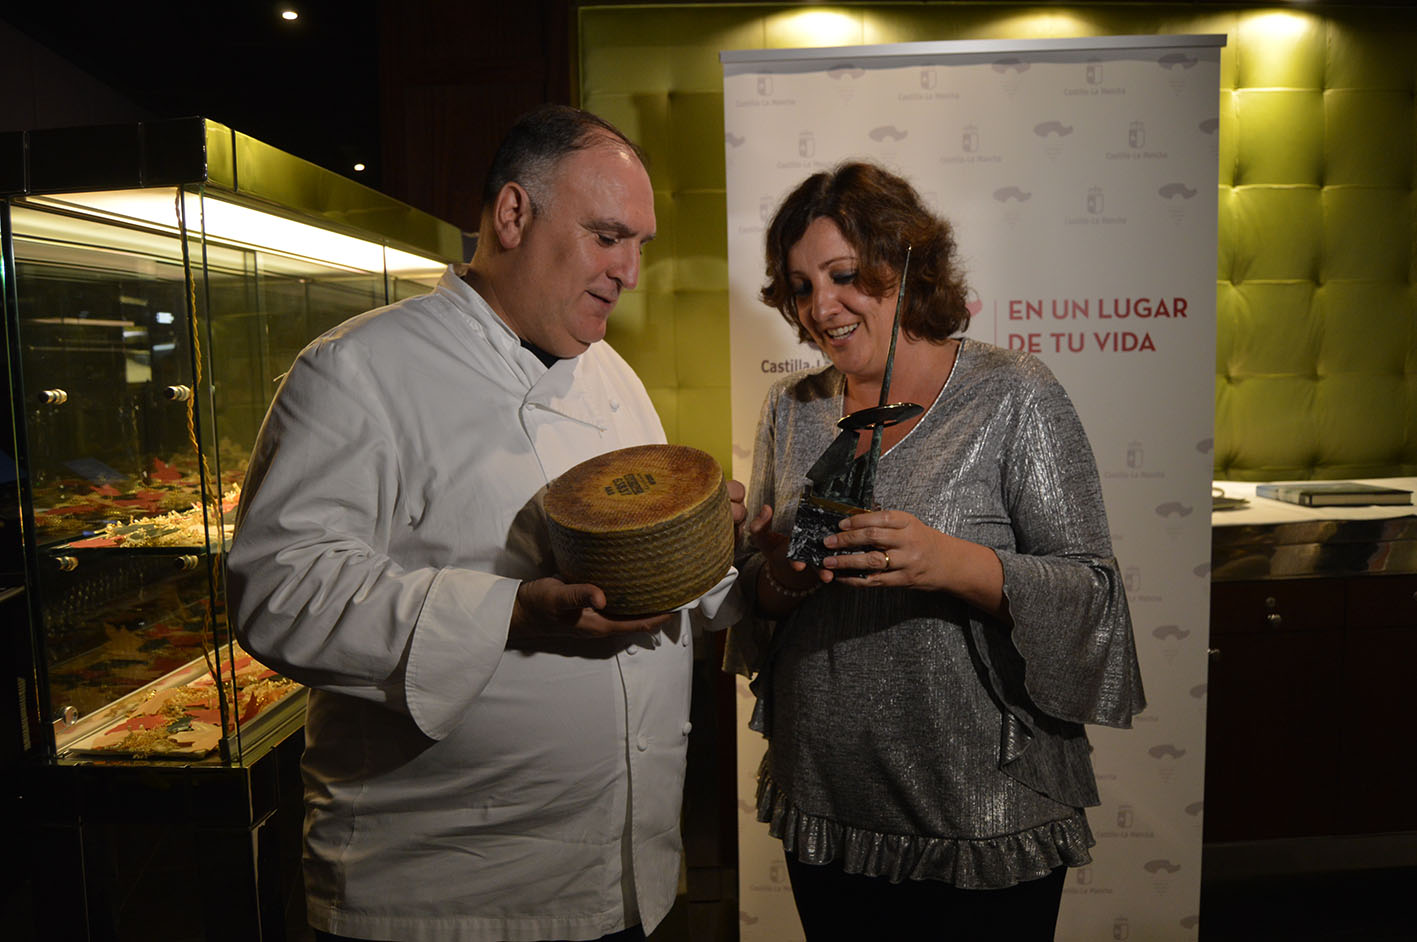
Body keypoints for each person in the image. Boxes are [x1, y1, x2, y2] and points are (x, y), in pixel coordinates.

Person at [227, 105, 744, 942]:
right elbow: (281, 591)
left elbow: (645, 571)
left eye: (640, 245)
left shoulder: (610, 373)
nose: (630, 271)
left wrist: (711, 543)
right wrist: (510, 611)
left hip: (620, 872)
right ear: (512, 215)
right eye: (609, 236)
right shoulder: (359, 369)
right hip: (442, 895)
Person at [730, 161, 1145, 940]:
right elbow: (767, 600)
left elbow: (1089, 592)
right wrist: (780, 574)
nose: (821, 307)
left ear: (904, 263)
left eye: (845, 275)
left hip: (976, 801)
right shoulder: (791, 409)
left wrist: (946, 562)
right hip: (826, 797)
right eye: (799, 286)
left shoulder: (1011, 391)